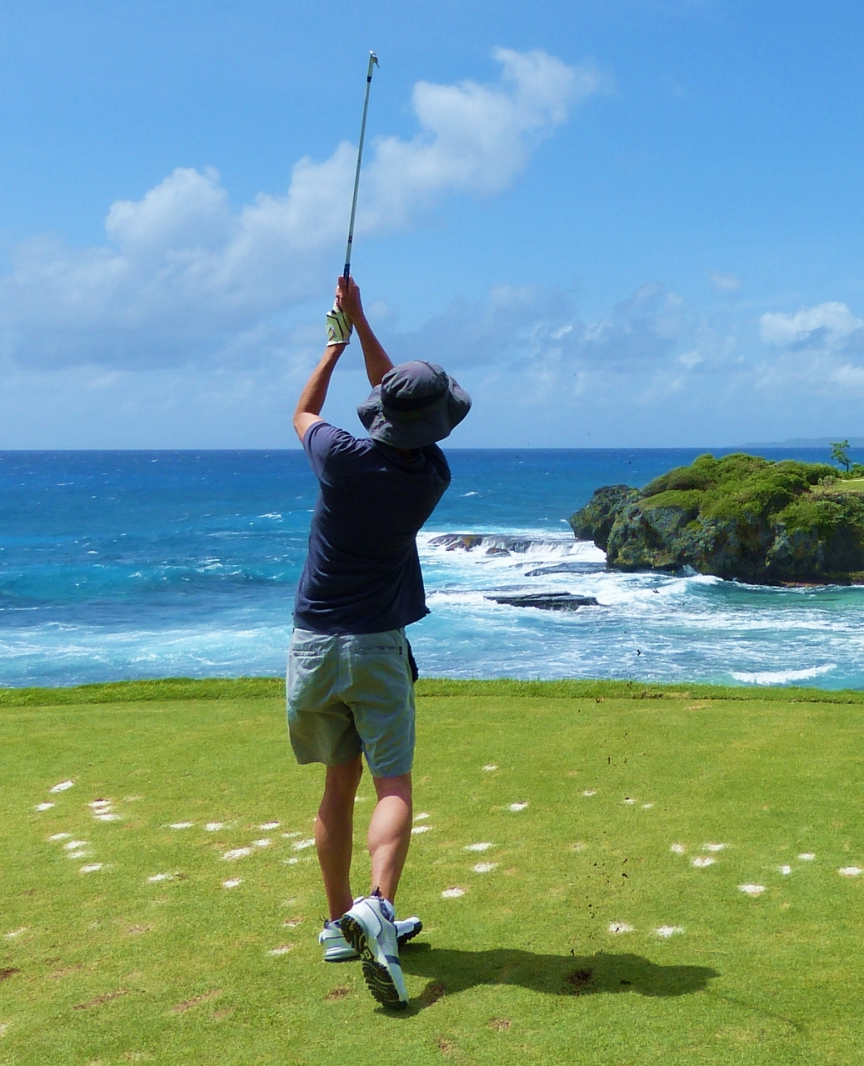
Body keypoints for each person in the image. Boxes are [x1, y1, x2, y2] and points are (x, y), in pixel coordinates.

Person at [286, 274, 470, 1010]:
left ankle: (338, 924)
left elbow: (302, 410)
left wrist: (336, 341)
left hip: (312, 645)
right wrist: (365, 330)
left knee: (338, 785)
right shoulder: (430, 474)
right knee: (392, 784)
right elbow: (399, 407)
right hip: (375, 647)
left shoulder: (338, 456)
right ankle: (379, 910)